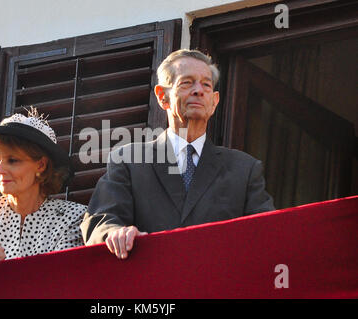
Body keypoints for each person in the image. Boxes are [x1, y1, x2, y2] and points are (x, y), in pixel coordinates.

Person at [80, 49, 275, 259]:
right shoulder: (128, 160)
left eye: (206, 85)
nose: (198, 91)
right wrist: (116, 234)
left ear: (214, 101)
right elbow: (100, 221)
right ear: (162, 97)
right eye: (187, 83)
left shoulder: (244, 169)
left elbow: (269, 234)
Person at [0, 109, 86, 269]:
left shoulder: (72, 218)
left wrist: (3, 269)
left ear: (41, 165)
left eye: (12, 160)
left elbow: (60, 283)